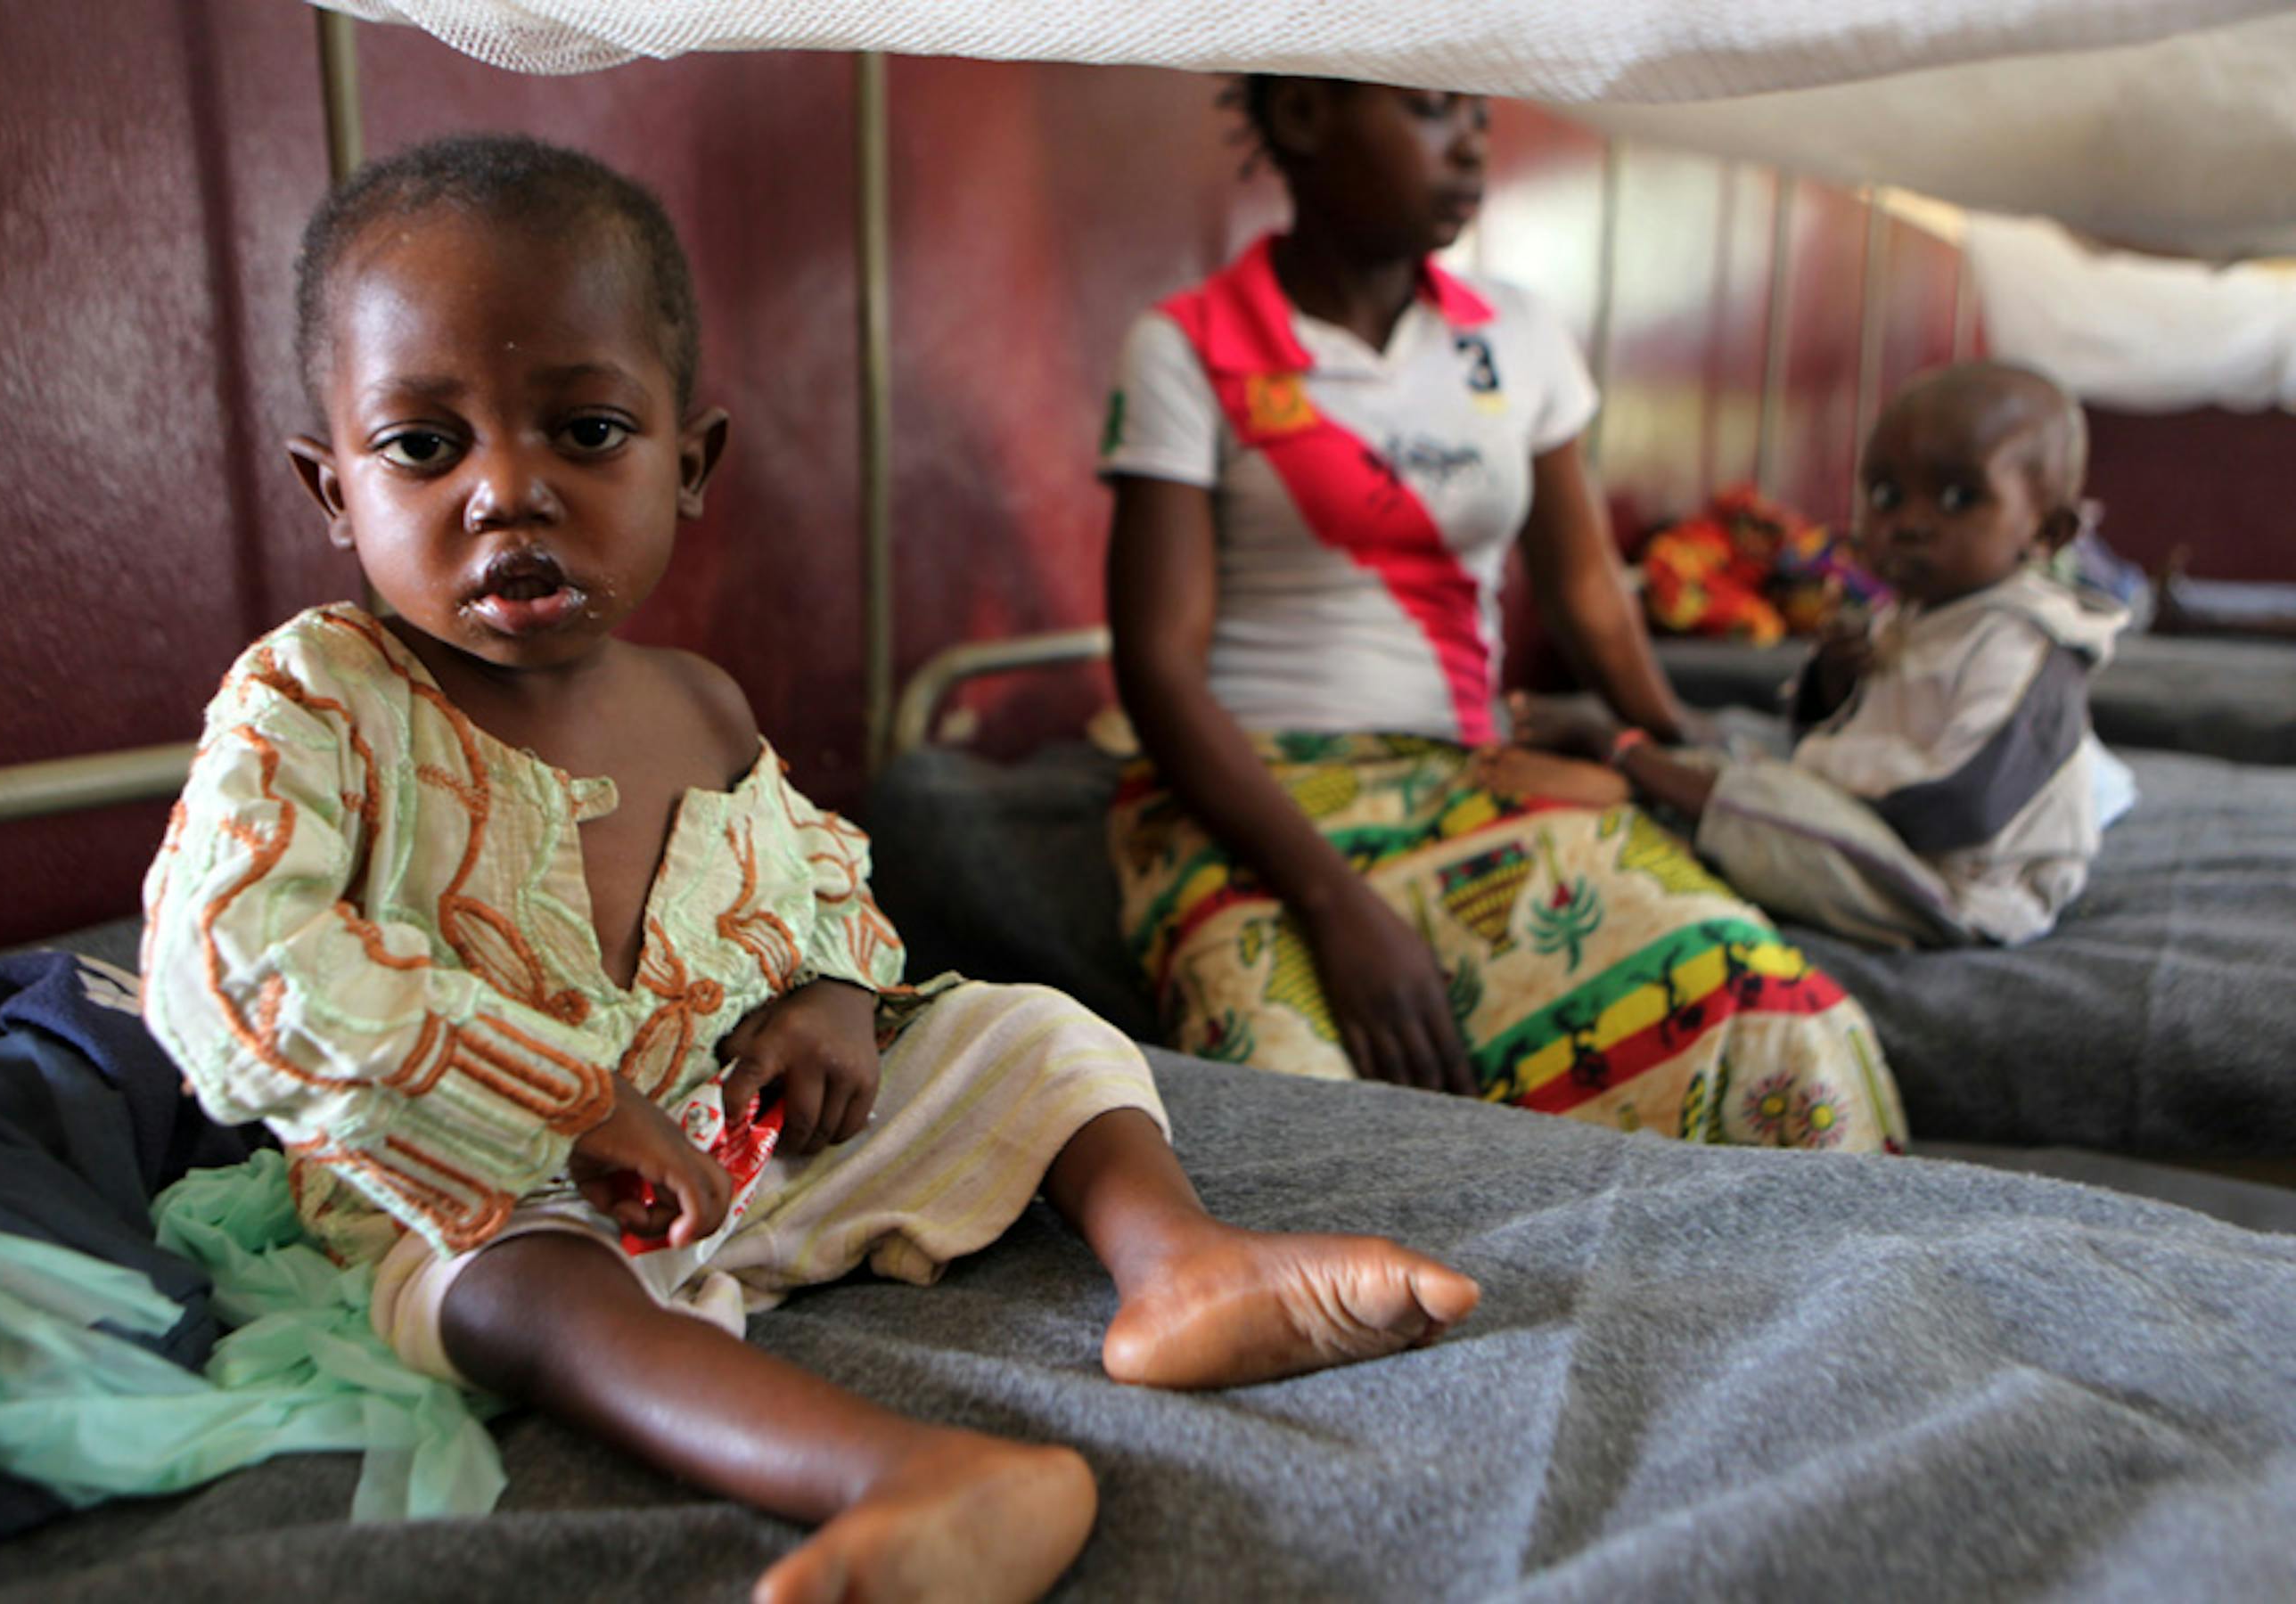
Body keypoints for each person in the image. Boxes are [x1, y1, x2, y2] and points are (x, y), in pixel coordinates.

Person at [139, 134, 1480, 1604]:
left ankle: (1181, 1263)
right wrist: (567, 1102)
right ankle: (905, 1473)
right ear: (330, 489)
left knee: (1018, 1028)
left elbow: (817, 881)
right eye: (424, 447)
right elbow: (232, 962)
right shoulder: (319, 700)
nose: (505, 492)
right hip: (495, 1180)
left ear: (689, 461)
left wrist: (837, 997)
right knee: (511, 1287)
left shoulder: (700, 703)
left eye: (584, 433)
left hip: (740, 1146)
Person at [1103, 78, 1905, 1150]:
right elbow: (1158, 668)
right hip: (1255, 799)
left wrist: (1679, 748)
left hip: (1469, 777)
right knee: (1301, 1118)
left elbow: (1585, 592)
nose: (1475, 142)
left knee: (1778, 1024)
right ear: (1301, 117)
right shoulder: (1189, 345)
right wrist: (1336, 907)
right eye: (1433, 109)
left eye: (1479, 112)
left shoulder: (1516, 337)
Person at [1517, 363, 2128, 948]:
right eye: (1887, 495)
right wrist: (1835, 689)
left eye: (1958, 498)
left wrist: (1819, 788)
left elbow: (1961, 802)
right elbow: (1851, 730)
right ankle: (1676, 790)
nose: (1910, 523)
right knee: (1744, 775)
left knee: (1768, 804)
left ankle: (1626, 756)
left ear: (2046, 534)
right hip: (1898, 842)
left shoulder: (2023, 640)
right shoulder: (1920, 615)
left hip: (1971, 888)